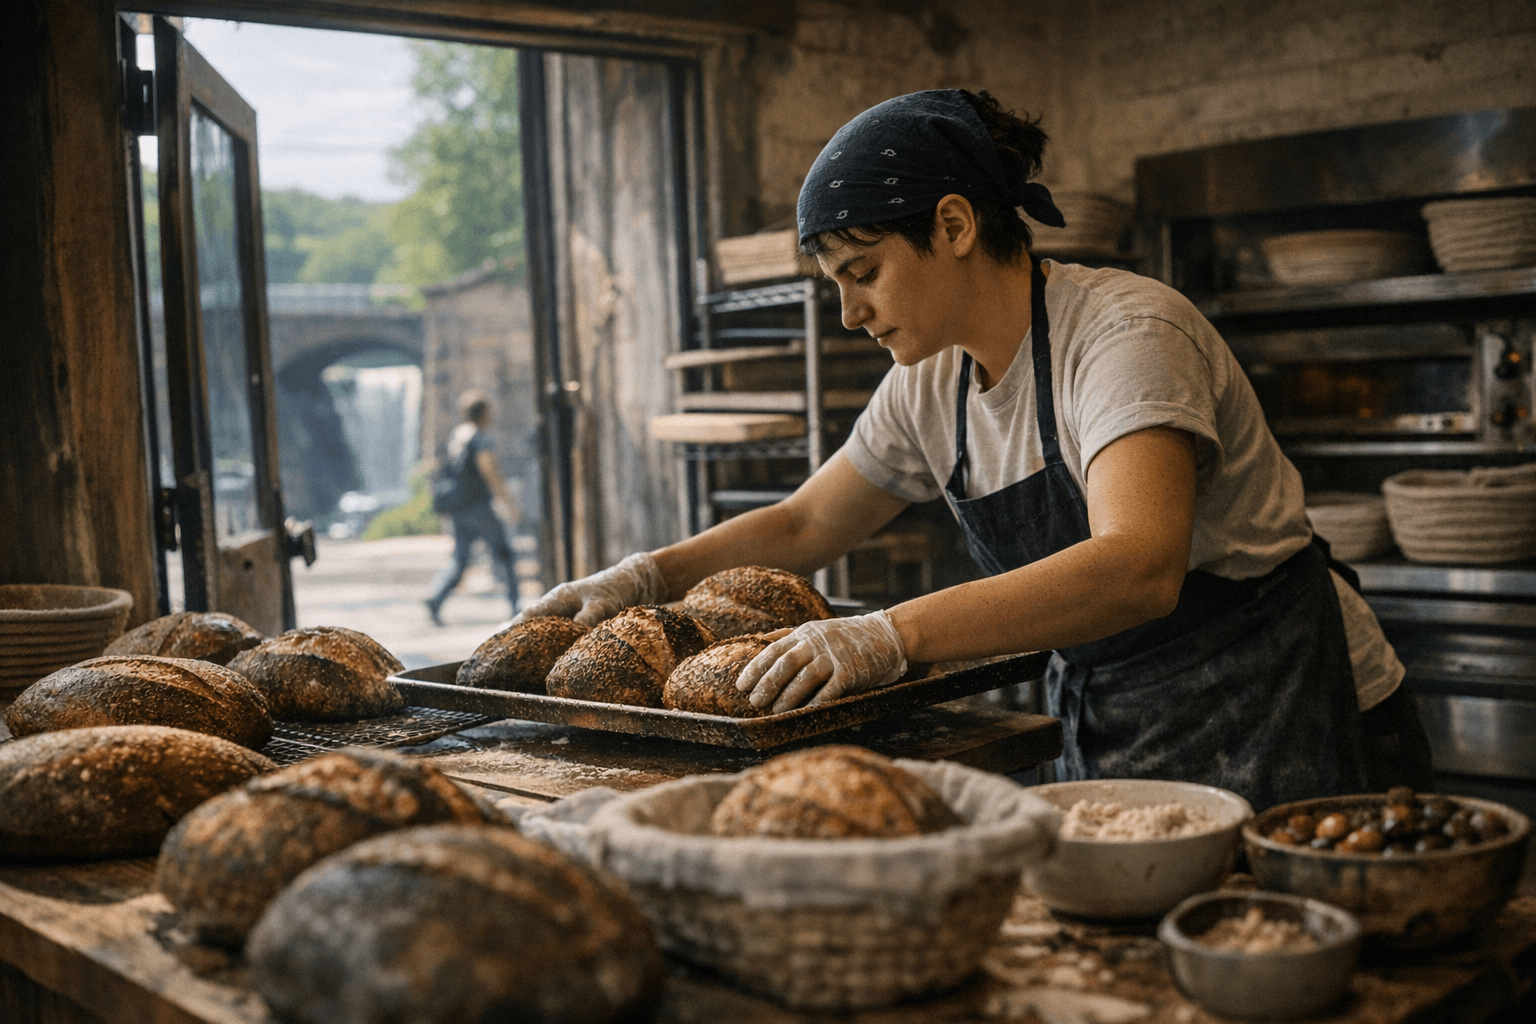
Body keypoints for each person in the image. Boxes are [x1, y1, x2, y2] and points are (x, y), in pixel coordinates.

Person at [518, 89, 1432, 810]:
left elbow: (1138, 564)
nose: (849, 313)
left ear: (953, 226)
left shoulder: (1123, 334)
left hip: (1285, 706)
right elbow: (805, 524)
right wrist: (642, 577)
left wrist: (888, 635)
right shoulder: (932, 380)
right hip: (1112, 711)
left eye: (863, 272)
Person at [425, 390, 521, 625]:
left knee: (460, 559)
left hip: (458, 508)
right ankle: (516, 606)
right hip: (479, 507)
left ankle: (436, 597)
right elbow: (488, 469)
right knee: (504, 554)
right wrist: (508, 502)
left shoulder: (456, 437)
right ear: (484, 413)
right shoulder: (480, 438)